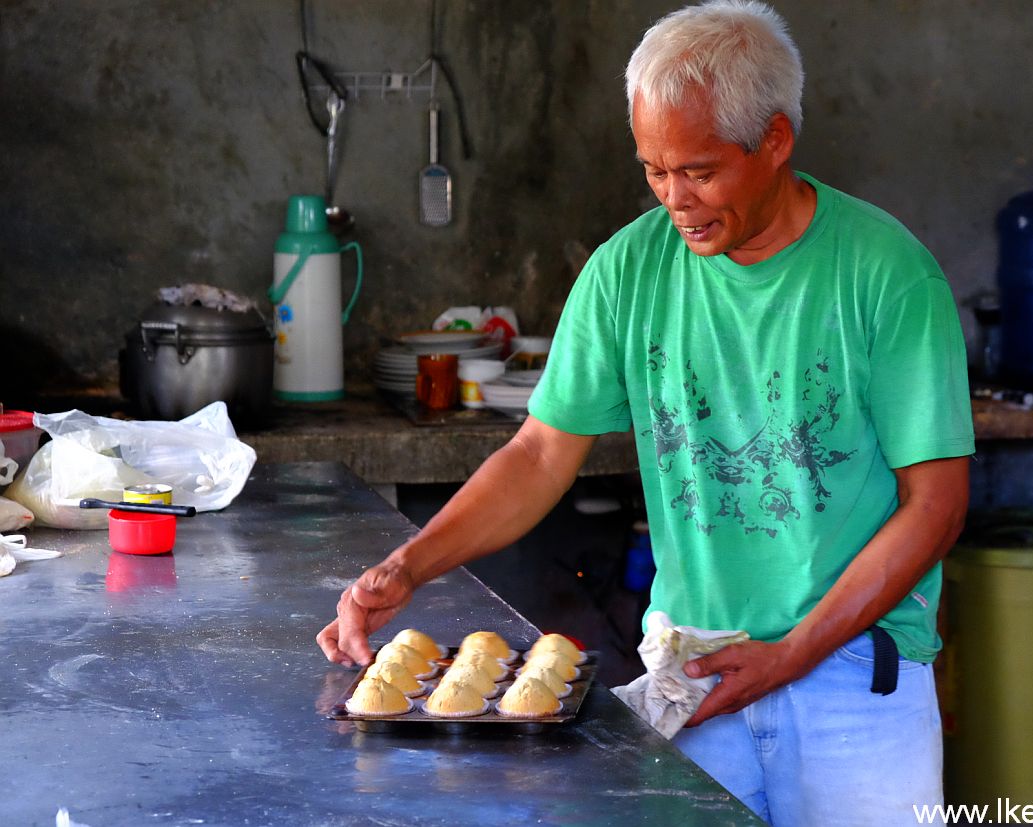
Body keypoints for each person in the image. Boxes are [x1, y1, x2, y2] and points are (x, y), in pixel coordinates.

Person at [318, 1, 973, 823]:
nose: (676, 200)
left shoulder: (886, 276)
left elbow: (937, 505)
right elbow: (539, 453)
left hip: (852, 676)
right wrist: (407, 565)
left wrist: (791, 654)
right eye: (654, 171)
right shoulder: (627, 271)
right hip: (691, 672)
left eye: (699, 170)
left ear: (774, 141)